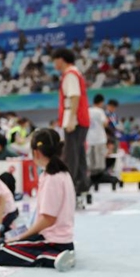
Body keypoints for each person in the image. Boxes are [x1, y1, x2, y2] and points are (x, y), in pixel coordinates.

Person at [0, 129, 76, 272]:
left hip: (53, 241)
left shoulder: (52, 178)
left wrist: (22, 237)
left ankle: (53, 257)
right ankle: (55, 254)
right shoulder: (62, 173)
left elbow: (48, 219)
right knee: (2, 243)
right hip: (59, 239)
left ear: (36, 152)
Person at [52, 48, 90, 202]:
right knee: (78, 154)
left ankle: (69, 189)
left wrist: (71, 120)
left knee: (71, 156)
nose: (54, 64)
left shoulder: (70, 75)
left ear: (61, 59)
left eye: (54, 60)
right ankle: (82, 187)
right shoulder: (75, 73)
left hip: (75, 119)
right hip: (80, 119)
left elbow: (74, 97)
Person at [86, 94, 109, 183]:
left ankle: (91, 176)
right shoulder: (100, 111)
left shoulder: (87, 110)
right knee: (99, 159)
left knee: (91, 159)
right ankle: (99, 176)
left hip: (89, 138)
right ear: (101, 102)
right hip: (99, 138)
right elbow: (105, 123)